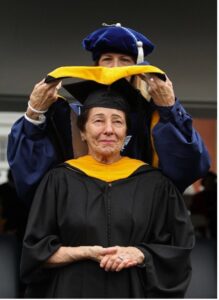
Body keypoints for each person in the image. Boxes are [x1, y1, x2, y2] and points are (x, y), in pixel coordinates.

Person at [20, 79, 195, 298]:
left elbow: (178, 249)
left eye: (118, 122)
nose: (109, 130)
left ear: (126, 134)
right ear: (83, 132)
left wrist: (140, 253)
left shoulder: (155, 184)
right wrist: (84, 252)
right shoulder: (59, 180)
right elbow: (34, 253)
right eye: (98, 121)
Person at [7, 23, 210, 204]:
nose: (115, 68)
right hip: (78, 213)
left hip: (140, 213)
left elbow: (189, 166)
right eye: (107, 59)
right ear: (96, 67)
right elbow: (30, 176)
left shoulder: (155, 116)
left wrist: (169, 110)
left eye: (124, 60)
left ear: (137, 70)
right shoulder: (69, 117)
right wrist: (34, 114)